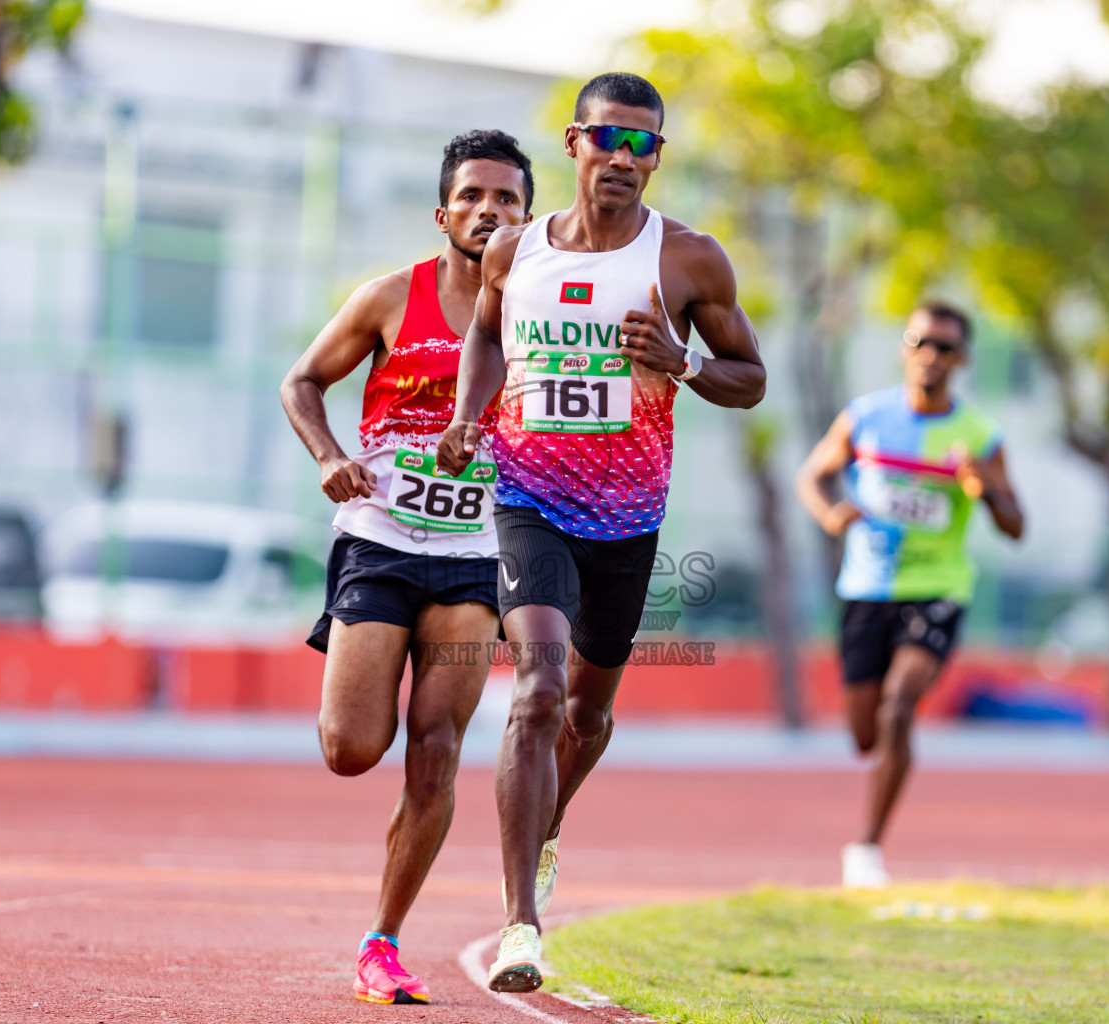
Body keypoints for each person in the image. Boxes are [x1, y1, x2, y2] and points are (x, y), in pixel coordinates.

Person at [436, 72, 767, 992]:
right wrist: (471, 417)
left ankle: (541, 827)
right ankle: (520, 927)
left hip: (626, 518)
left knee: (589, 711)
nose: (622, 158)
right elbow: (489, 337)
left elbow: (752, 377)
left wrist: (685, 363)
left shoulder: (690, 260)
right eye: (606, 139)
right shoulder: (515, 249)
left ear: (657, 158)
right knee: (536, 693)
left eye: (642, 145)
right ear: (574, 143)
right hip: (527, 497)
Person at [279, 129, 534, 1005]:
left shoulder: (544, 311)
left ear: (527, 217)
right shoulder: (392, 297)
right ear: (443, 212)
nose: (487, 211)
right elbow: (302, 381)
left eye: (505, 198)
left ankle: (382, 943)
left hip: (474, 558)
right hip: (380, 542)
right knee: (353, 748)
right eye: (472, 196)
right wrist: (327, 455)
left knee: (437, 747)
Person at [794, 301, 1025, 889]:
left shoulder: (978, 436)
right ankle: (873, 800)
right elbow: (813, 474)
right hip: (867, 589)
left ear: (962, 360)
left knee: (900, 708)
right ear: (905, 348)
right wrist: (831, 513)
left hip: (938, 589)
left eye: (945, 348)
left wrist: (986, 488)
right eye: (921, 342)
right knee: (865, 732)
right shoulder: (866, 419)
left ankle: (866, 847)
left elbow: (1016, 524)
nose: (931, 357)